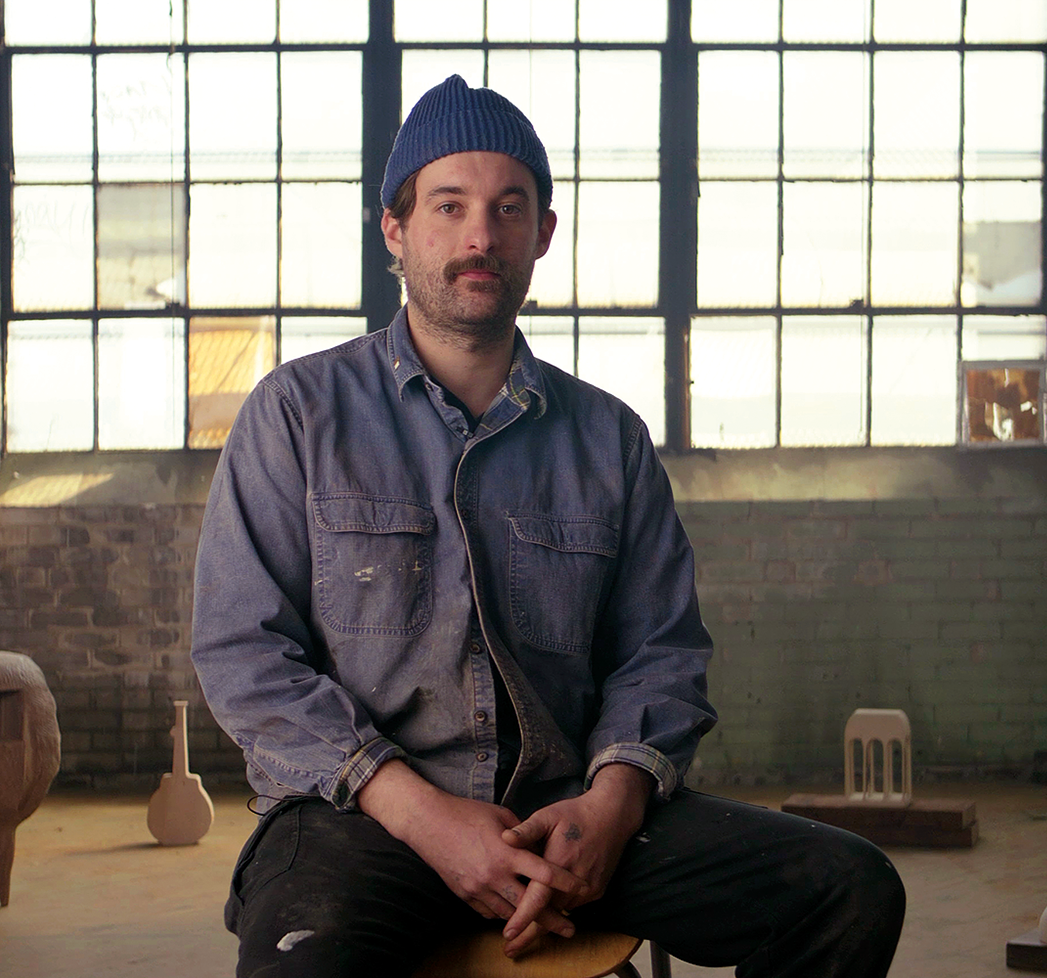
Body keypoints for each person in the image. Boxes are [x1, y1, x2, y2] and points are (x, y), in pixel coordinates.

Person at [191, 74, 905, 978]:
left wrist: (609, 808)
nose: (480, 236)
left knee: (849, 887)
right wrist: (423, 815)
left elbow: (660, 654)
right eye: (447, 207)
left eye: (508, 208)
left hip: (566, 811)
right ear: (395, 232)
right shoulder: (296, 414)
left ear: (543, 235)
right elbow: (244, 657)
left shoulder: (607, 438)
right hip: (359, 817)